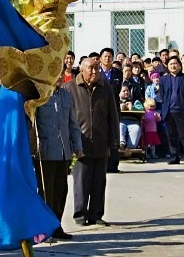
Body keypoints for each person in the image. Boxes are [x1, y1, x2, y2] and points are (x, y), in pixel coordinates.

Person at [66, 57, 120, 227]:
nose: (95, 71)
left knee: (99, 182)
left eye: (97, 68)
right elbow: (66, 119)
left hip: (101, 142)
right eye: (91, 68)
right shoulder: (70, 89)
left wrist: (114, 140)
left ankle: (96, 214)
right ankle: (80, 214)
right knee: (81, 182)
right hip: (80, 143)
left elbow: (113, 115)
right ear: (82, 69)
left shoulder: (106, 88)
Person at [32, 71, 83, 241]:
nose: (59, 77)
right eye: (56, 74)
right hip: (45, 152)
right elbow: (33, 124)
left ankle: (56, 225)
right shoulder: (40, 96)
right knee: (47, 191)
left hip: (63, 151)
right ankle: (43, 229)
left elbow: (72, 123)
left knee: (61, 191)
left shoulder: (66, 95)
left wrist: (77, 146)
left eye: (61, 74)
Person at [158, 55, 184, 165]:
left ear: (180, 66)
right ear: (168, 66)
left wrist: (183, 103)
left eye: (175, 63)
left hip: (181, 110)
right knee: (171, 135)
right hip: (168, 111)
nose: (173, 66)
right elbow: (162, 94)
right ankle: (174, 157)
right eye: (171, 64)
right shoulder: (164, 79)